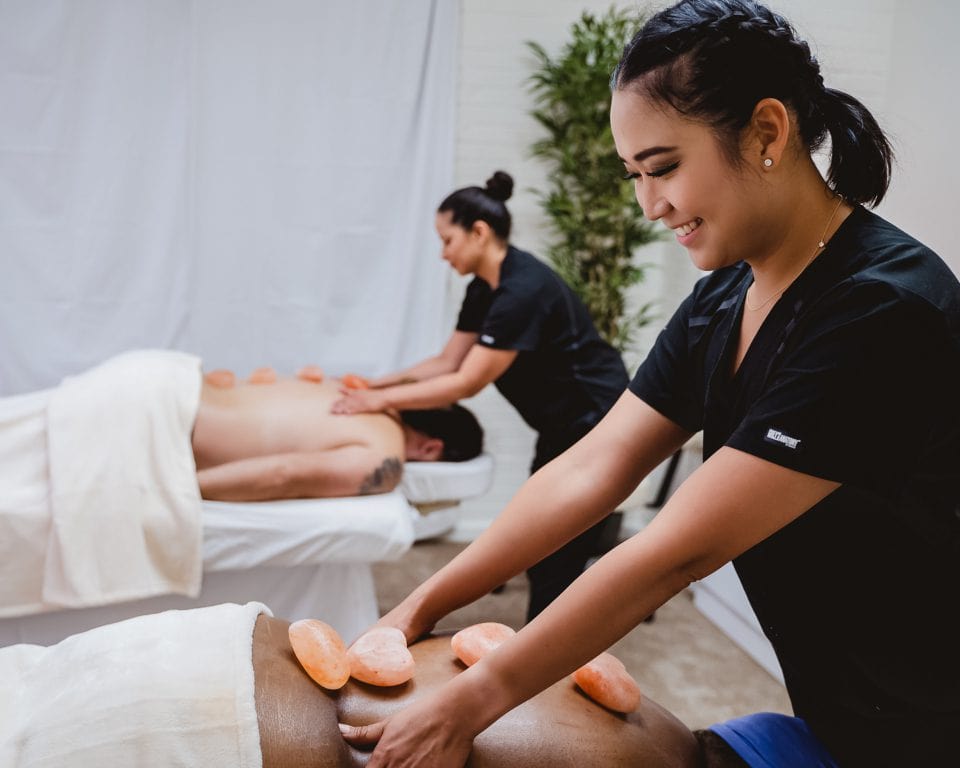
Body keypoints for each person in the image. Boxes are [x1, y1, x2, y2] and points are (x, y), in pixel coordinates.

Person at [333, 1, 960, 766]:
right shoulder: (724, 298)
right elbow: (591, 468)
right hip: (839, 715)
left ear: (767, 131)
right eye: (634, 174)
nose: (649, 204)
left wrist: (469, 703)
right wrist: (413, 609)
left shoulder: (882, 308)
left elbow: (674, 552)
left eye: (663, 168)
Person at [331, 171, 630, 620]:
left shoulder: (521, 292)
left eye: (447, 240)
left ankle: (544, 655)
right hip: (560, 423)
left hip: (596, 417)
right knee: (542, 534)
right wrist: (378, 384)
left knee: (556, 547)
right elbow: (448, 361)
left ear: (479, 232)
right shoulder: (484, 288)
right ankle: (553, 621)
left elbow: (466, 383)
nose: (443, 253)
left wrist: (376, 404)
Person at [194, 368, 483, 501]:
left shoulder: (350, 390)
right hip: (172, 424)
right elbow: (283, 474)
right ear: (431, 449)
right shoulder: (385, 455)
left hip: (177, 377)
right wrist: (179, 490)